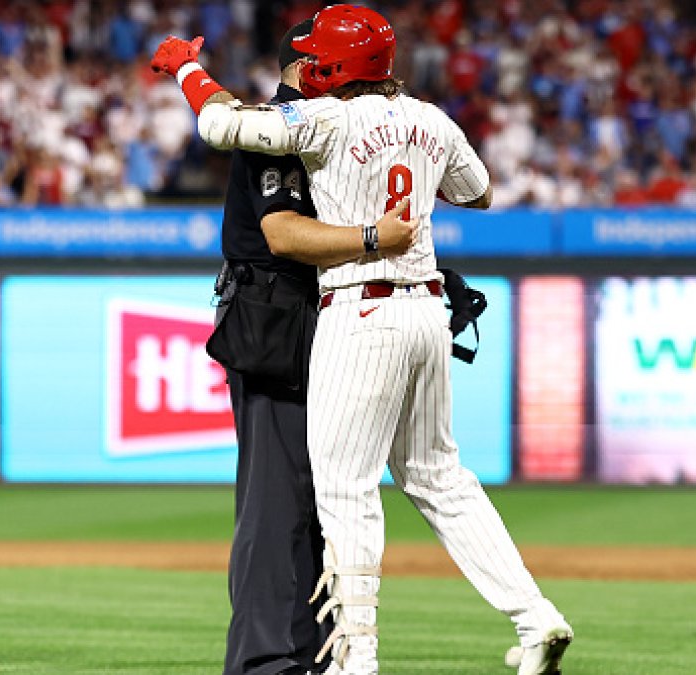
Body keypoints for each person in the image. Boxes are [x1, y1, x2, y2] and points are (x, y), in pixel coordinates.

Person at [152, 6, 572, 675]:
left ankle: (358, 658)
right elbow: (480, 191)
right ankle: (536, 615)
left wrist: (187, 67)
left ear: (333, 66)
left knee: (345, 489)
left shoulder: (322, 118)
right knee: (441, 478)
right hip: (427, 309)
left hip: (361, 308)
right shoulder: (430, 118)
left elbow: (219, 122)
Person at [209, 18, 417, 675]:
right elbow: (285, 234)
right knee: (277, 501)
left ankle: (316, 653)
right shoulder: (277, 126)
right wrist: (376, 239)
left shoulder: (333, 127)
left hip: (334, 322)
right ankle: (265, 660)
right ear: (310, 64)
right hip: (274, 321)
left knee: (331, 499)